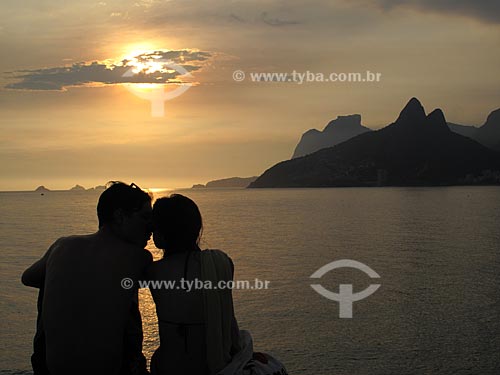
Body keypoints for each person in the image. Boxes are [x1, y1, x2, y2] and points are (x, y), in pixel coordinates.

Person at [21, 182, 153, 375]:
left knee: (47, 281)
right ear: (120, 216)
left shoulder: (63, 245)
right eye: (145, 217)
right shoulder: (137, 257)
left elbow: (28, 278)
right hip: (111, 370)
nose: (151, 226)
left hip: (52, 369)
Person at [146, 194, 240, 375]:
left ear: (165, 230)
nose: (151, 231)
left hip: (170, 366)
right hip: (215, 365)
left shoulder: (152, 272)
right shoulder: (221, 262)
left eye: (154, 225)